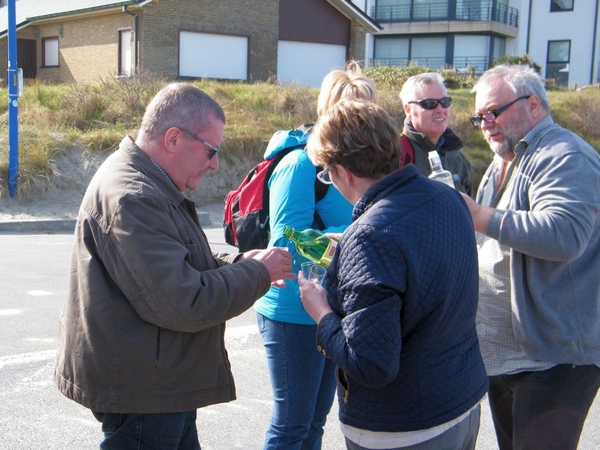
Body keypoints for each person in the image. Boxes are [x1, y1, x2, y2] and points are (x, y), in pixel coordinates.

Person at [54, 82, 294, 449]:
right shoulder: (134, 197)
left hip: (156, 379)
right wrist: (258, 273)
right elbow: (183, 301)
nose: (215, 164)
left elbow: (182, 262)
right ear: (173, 139)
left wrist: (240, 261)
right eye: (211, 151)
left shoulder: (148, 184)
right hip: (143, 389)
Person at [299, 99, 488, 450]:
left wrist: (321, 312)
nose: (330, 181)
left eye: (326, 172)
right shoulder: (447, 196)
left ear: (344, 171)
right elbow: (419, 264)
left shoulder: (369, 236)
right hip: (461, 401)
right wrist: (356, 253)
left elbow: (369, 364)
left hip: (404, 426)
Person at [463, 64, 600, 450]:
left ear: (534, 104)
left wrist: (478, 214)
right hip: (508, 356)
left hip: (552, 358)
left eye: (494, 112)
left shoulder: (564, 153)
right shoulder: (505, 158)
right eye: (479, 117)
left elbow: (565, 234)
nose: (486, 123)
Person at [254, 61, 378, 450]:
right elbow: (285, 245)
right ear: (330, 112)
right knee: (292, 424)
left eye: (369, 114)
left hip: (331, 308)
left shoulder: (355, 168)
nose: (363, 125)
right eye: (354, 114)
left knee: (315, 422)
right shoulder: (299, 164)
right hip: (293, 311)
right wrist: (348, 244)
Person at [399, 72, 473, 195]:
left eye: (445, 102)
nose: (440, 110)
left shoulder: (457, 158)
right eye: (429, 104)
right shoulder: (395, 156)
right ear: (408, 110)